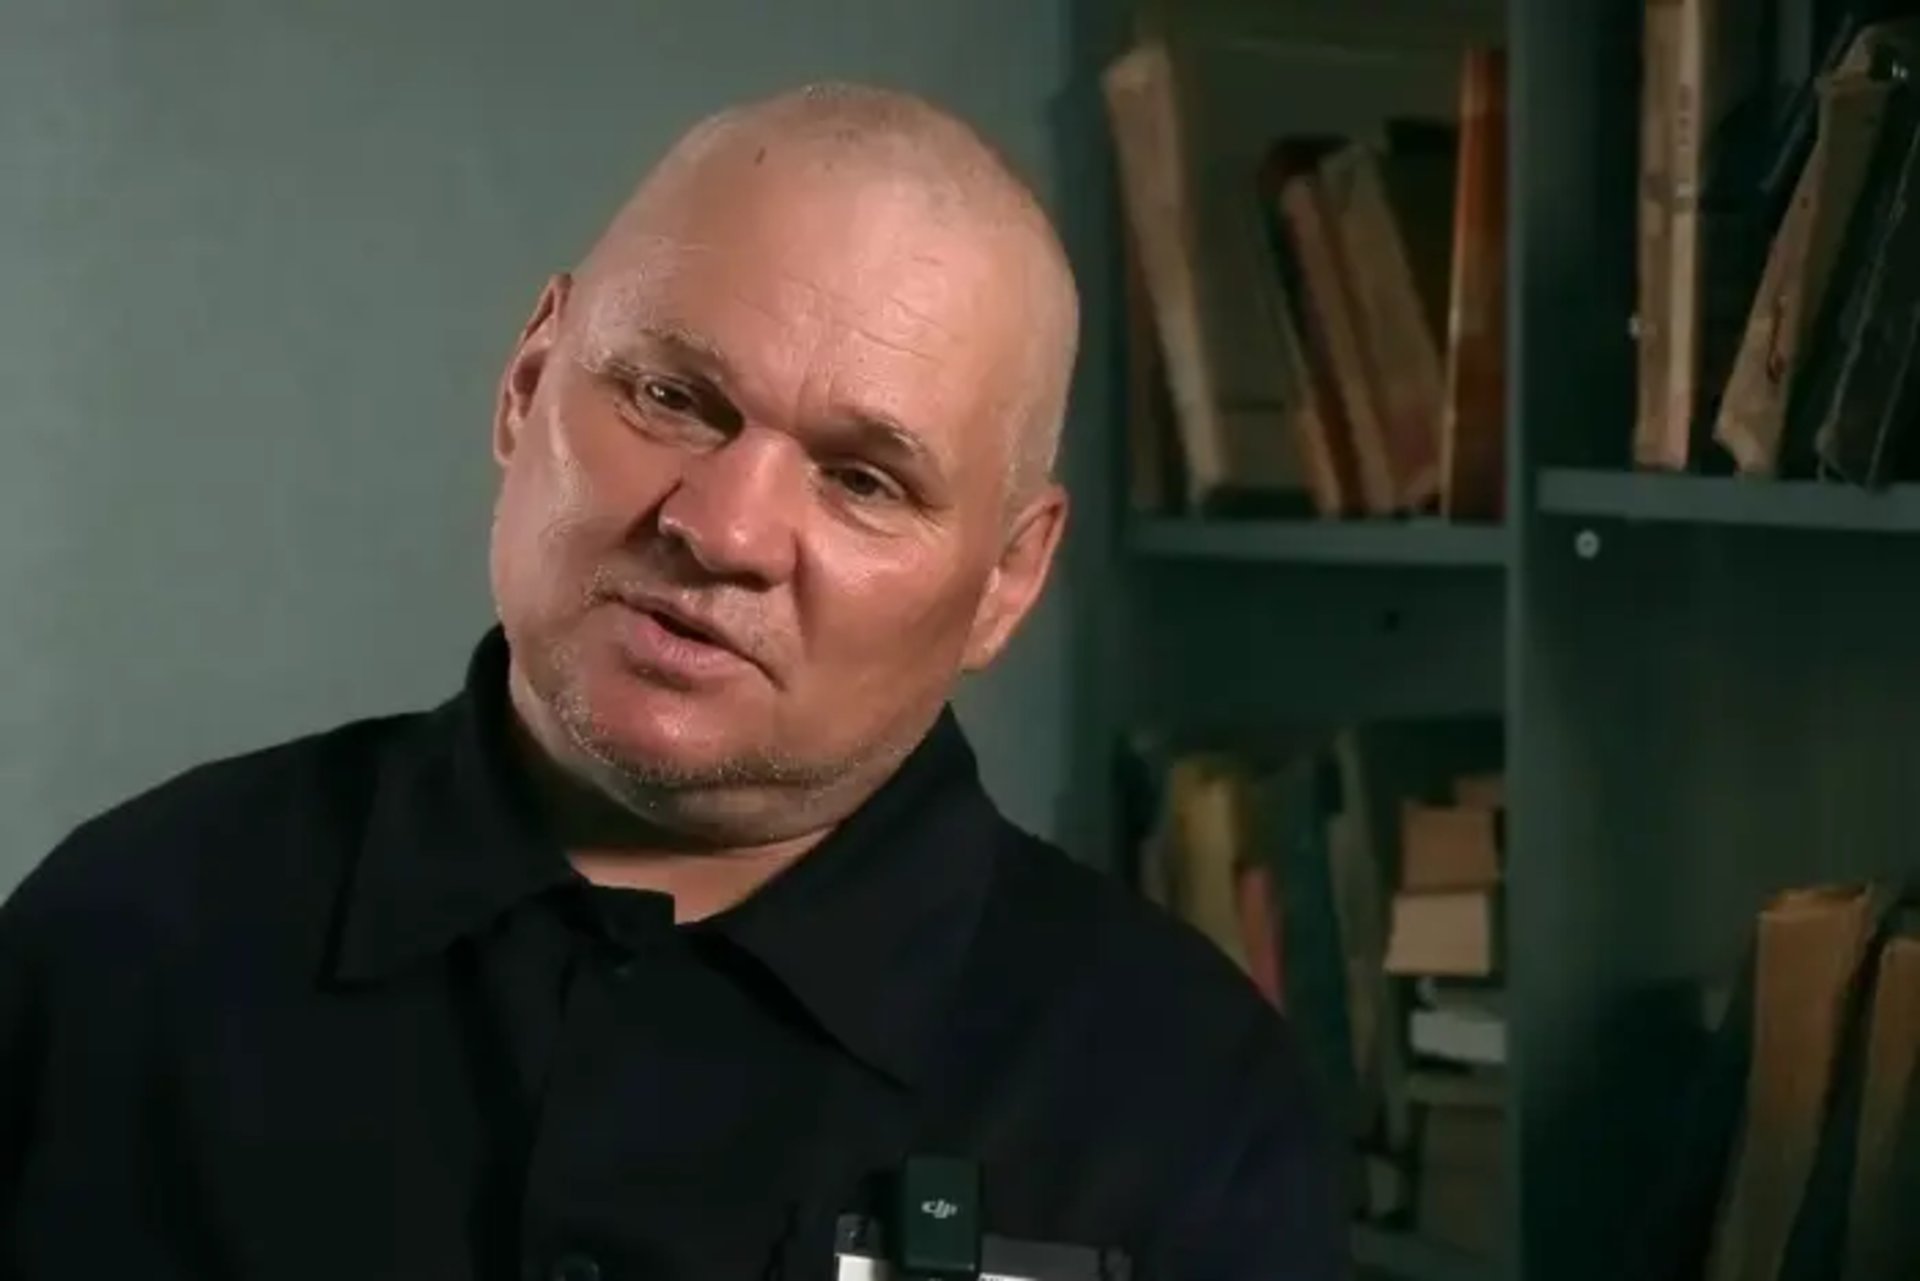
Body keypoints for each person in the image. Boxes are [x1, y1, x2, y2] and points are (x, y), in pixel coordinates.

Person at [0, 83, 1343, 1280]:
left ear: (1007, 577)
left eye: (863, 479)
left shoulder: (1185, 1103)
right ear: (528, 382)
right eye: (673, 398)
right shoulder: (120, 938)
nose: (723, 529)